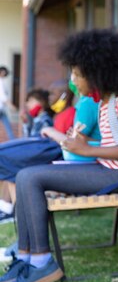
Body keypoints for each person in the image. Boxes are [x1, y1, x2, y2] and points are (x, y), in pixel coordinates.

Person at [0, 29, 118, 282]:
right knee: (25, 175)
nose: (72, 80)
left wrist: (87, 150)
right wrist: (82, 147)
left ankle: (42, 262)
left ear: (97, 73)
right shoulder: (105, 102)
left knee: (31, 177)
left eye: (77, 74)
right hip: (106, 169)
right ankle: (26, 258)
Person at [0, 80, 100, 227]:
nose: (50, 97)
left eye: (53, 93)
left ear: (65, 95)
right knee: (10, 163)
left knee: (14, 165)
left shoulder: (73, 112)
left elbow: (70, 142)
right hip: (52, 151)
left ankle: (13, 211)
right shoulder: (58, 116)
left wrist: (51, 132)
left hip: (57, 155)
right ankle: (9, 209)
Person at [0, 66, 15, 140]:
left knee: (7, 125)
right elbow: (3, 97)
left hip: (2, 109)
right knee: (7, 125)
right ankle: (13, 140)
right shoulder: (0, 81)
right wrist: (11, 106)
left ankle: (13, 140)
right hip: (0, 108)